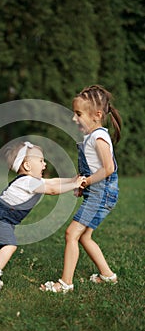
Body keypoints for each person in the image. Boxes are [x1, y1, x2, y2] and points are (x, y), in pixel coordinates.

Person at [41, 84, 122, 293]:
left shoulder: (99, 137)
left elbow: (108, 168)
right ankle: (107, 275)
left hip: (101, 194)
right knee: (84, 236)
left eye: (78, 114)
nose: (74, 119)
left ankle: (65, 283)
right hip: (97, 193)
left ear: (96, 115)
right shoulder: (91, 137)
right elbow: (94, 168)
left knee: (71, 234)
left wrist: (87, 183)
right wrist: (82, 184)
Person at [0, 141, 86, 293]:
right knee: (9, 245)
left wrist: (72, 180)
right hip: (0, 218)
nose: (44, 164)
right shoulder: (27, 182)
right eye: (41, 161)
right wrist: (74, 186)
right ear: (28, 166)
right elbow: (52, 190)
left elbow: (53, 182)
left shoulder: (31, 181)